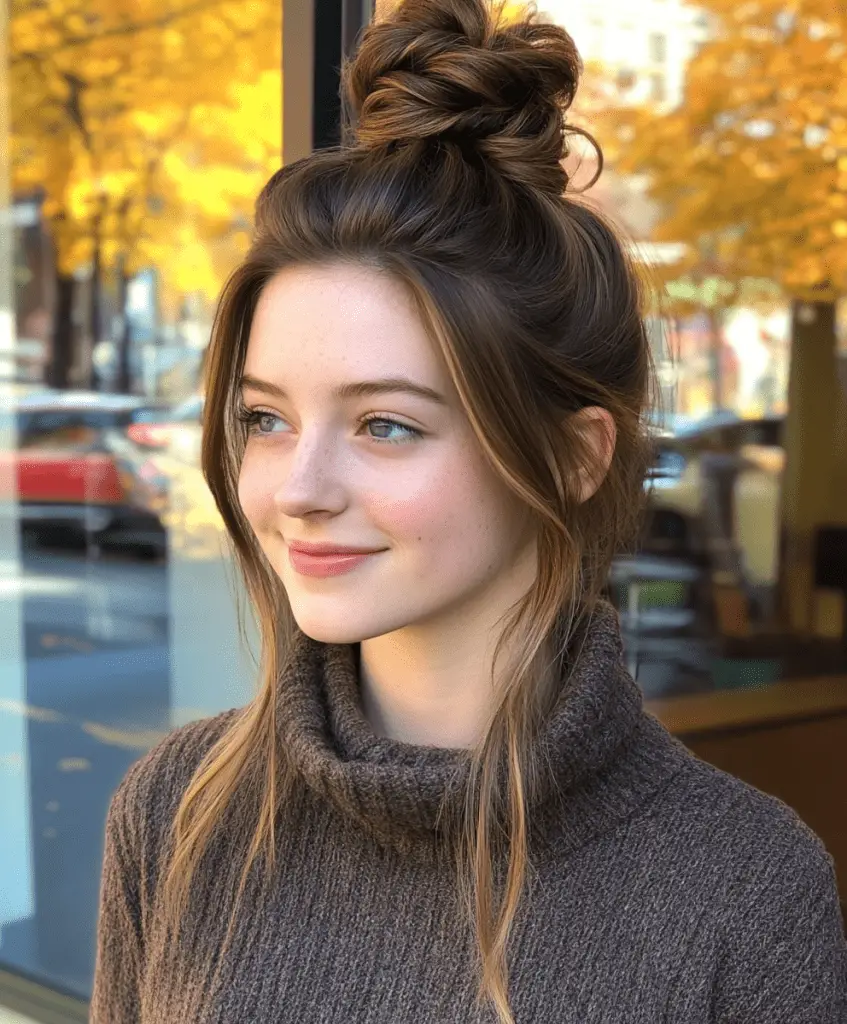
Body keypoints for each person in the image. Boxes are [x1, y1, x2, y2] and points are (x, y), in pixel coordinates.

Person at [89, 2, 847, 1022]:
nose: (296, 487)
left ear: (575, 456)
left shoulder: (745, 894)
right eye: (265, 417)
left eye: (386, 425)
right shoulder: (176, 815)